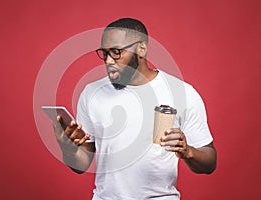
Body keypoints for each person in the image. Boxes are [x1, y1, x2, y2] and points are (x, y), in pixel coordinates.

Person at [53, 18, 217, 200]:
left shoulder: (181, 92)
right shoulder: (92, 93)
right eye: (104, 53)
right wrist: (67, 150)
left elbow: (210, 162)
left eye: (116, 52)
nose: (108, 61)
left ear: (141, 49)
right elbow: (81, 164)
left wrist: (188, 151)